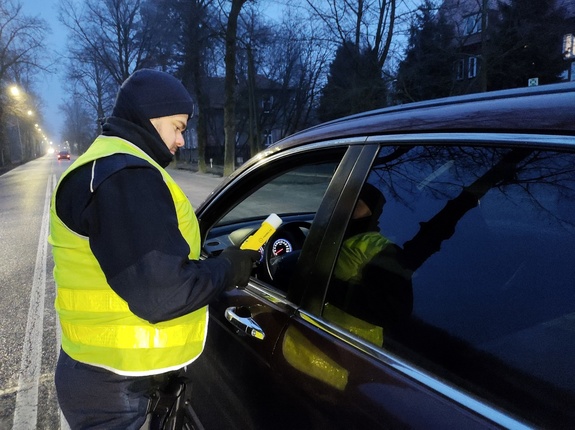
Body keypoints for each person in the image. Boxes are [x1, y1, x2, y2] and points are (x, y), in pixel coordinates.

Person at [48, 69, 260, 429]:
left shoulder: (107, 167)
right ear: (151, 116)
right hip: (116, 385)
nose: (180, 140)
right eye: (178, 127)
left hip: (102, 375)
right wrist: (228, 268)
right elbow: (162, 293)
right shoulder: (125, 175)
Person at [326, 183, 413, 346]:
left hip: (345, 350)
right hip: (308, 334)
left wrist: (324, 284)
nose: (347, 207)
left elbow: (391, 310)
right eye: (345, 201)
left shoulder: (383, 249)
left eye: (356, 203)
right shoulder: (332, 232)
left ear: (372, 211)